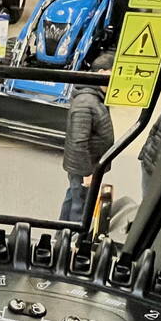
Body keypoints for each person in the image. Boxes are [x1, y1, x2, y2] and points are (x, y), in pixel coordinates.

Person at [60, 86, 115, 223]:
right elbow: (79, 142)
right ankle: (73, 238)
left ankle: (62, 234)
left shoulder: (95, 99)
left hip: (89, 165)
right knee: (80, 206)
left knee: (73, 197)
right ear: (101, 72)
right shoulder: (85, 103)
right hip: (84, 167)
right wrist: (87, 173)